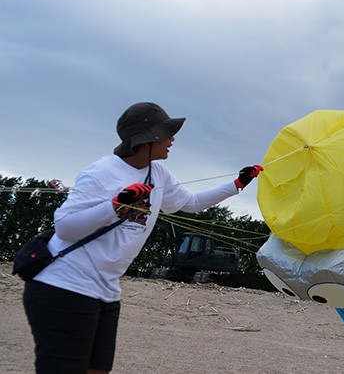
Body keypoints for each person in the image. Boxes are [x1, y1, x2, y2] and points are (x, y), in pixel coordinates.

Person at [22, 102, 264, 374]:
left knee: (98, 369)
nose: (172, 140)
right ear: (146, 139)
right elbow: (65, 227)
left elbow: (191, 203)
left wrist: (238, 184)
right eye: (166, 134)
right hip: (63, 287)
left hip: (105, 292)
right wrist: (115, 204)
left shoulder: (157, 173)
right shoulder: (101, 173)